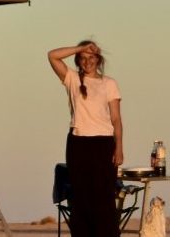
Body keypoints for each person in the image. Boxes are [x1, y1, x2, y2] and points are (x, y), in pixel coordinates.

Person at [48, 40, 124, 237]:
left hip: (103, 143)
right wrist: (80, 48)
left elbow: (116, 118)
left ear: (98, 60)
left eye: (91, 58)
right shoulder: (72, 79)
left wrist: (119, 148)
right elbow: (52, 55)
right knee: (81, 197)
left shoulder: (109, 83)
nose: (87, 62)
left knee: (104, 196)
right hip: (78, 143)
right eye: (83, 58)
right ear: (78, 60)